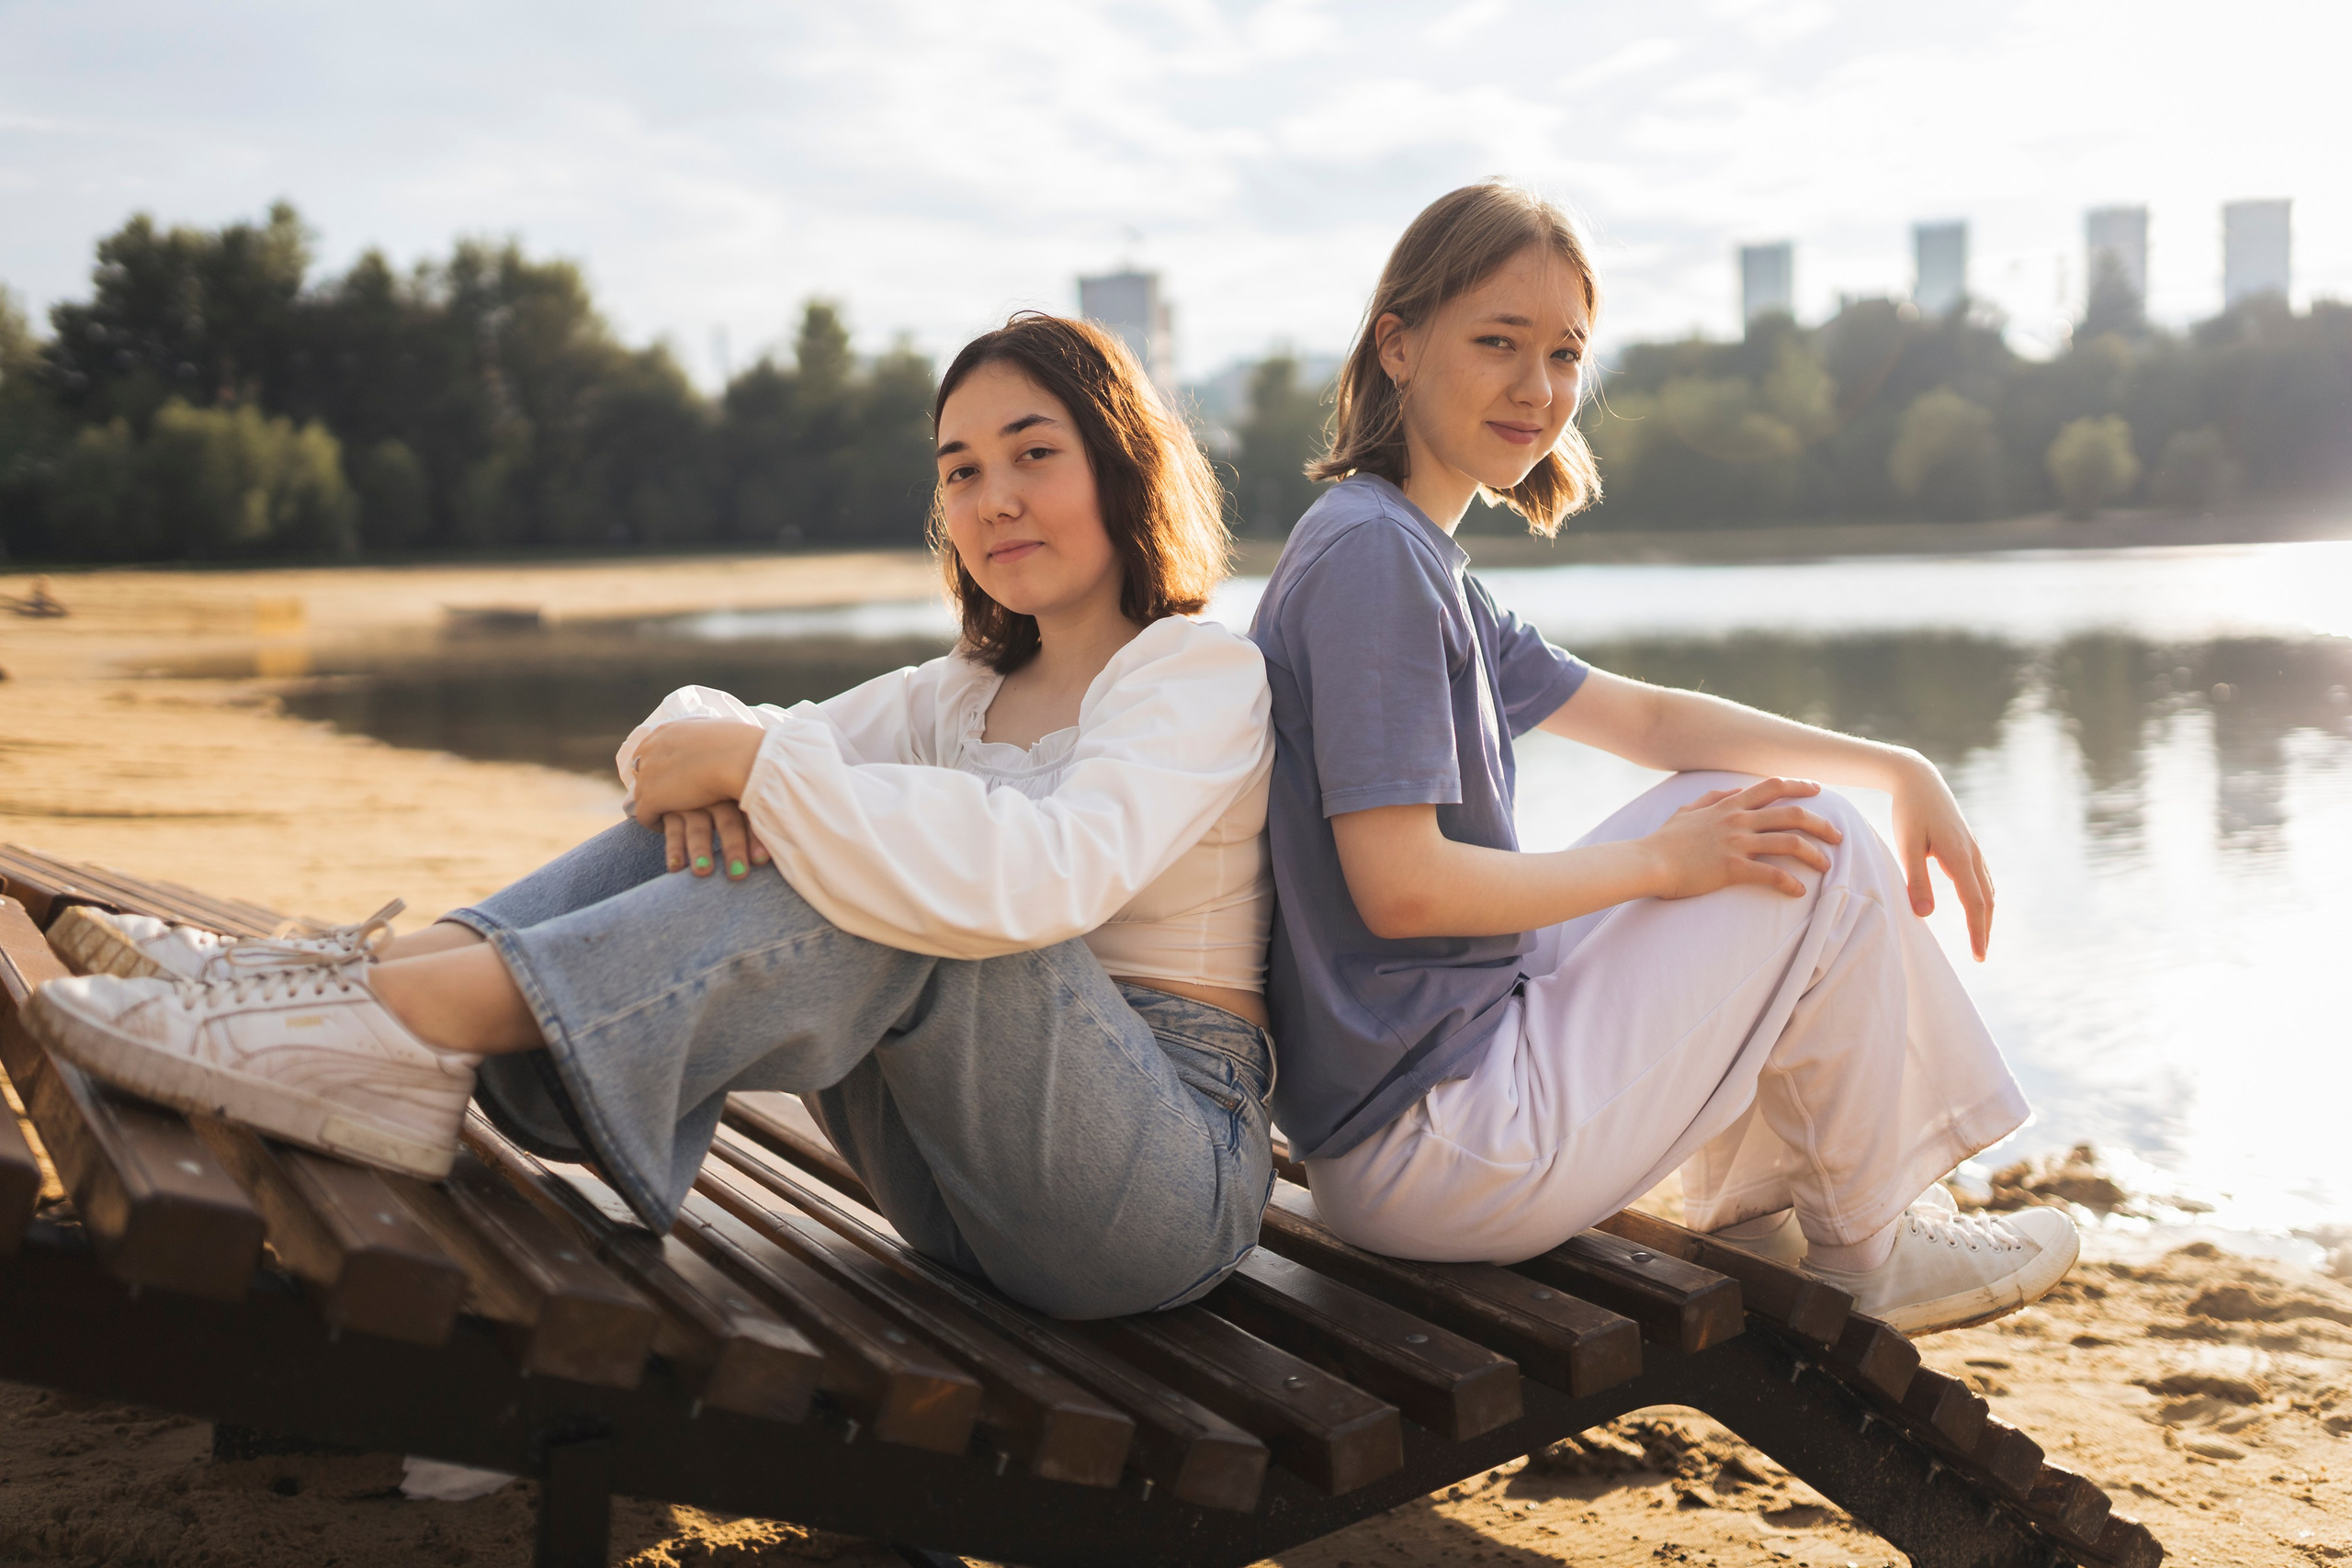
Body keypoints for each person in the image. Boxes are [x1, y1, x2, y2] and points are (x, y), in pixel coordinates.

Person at [29, 313, 1278, 1320]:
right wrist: (722, 749)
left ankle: (383, 1023)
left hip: (1156, 1184)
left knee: (886, 875)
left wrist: (765, 768)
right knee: (826, 824)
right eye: (962, 471)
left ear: (1124, 461)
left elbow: (1049, 876)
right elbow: (681, 740)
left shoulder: (1195, 673)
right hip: (959, 1182)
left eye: (1032, 452)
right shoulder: (959, 692)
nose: (994, 496)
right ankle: (350, 981)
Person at [1250, 183, 2075, 1336]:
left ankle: (1759, 1211)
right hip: (1434, 1144)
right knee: (1807, 844)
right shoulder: (1373, 562)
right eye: (1497, 342)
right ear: (1398, 342)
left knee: (1748, 805)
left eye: (1564, 354)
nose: (1536, 389)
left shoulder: (1402, 551)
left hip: (1408, 1118)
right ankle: (1867, 1251)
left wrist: (1896, 763)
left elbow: (1651, 726)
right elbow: (1405, 887)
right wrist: (1667, 867)